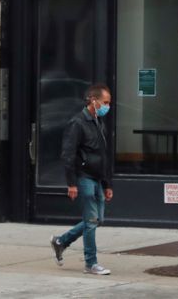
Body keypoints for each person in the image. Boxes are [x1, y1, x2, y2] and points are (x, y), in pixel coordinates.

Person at [50, 83, 114, 275]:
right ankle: (91, 263)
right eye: (105, 102)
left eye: (108, 103)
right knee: (91, 220)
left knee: (96, 220)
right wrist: (71, 183)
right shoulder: (77, 123)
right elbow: (68, 154)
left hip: (97, 178)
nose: (107, 106)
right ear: (93, 101)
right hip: (84, 177)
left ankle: (61, 241)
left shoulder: (98, 122)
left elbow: (103, 155)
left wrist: (107, 184)